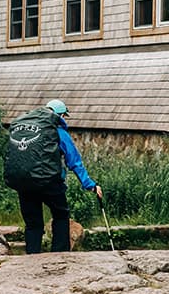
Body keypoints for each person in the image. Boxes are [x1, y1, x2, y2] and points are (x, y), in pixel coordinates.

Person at [6, 99, 101, 253]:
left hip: (25, 182)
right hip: (50, 182)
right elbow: (74, 161)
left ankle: (32, 256)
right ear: (60, 115)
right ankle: (59, 254)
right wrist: (90, 185)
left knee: (33, 223)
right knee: (61, 215)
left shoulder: (28, 130)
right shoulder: (59, 132)